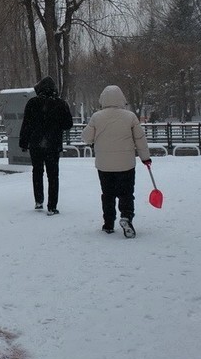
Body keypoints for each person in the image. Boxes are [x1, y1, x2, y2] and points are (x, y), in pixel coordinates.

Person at [81, 85, 152, 238]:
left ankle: (108, 223)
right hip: (126, 164)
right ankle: (126, 216)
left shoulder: (97, 117)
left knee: (108, 194)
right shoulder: (130, 117)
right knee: (126, 193)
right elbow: (140, 139)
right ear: (121, 98)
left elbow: (86, 138)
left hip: (104, 165)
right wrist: (145, 158)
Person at [18, 76, 74, 215]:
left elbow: (26, 125)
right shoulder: (60, 104)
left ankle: (39, 200)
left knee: (37, 171)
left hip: (36, 144)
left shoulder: (32, 103)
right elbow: (68, 124)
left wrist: (24, 142)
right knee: (53, 175)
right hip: (53, 145)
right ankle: (52, 206)